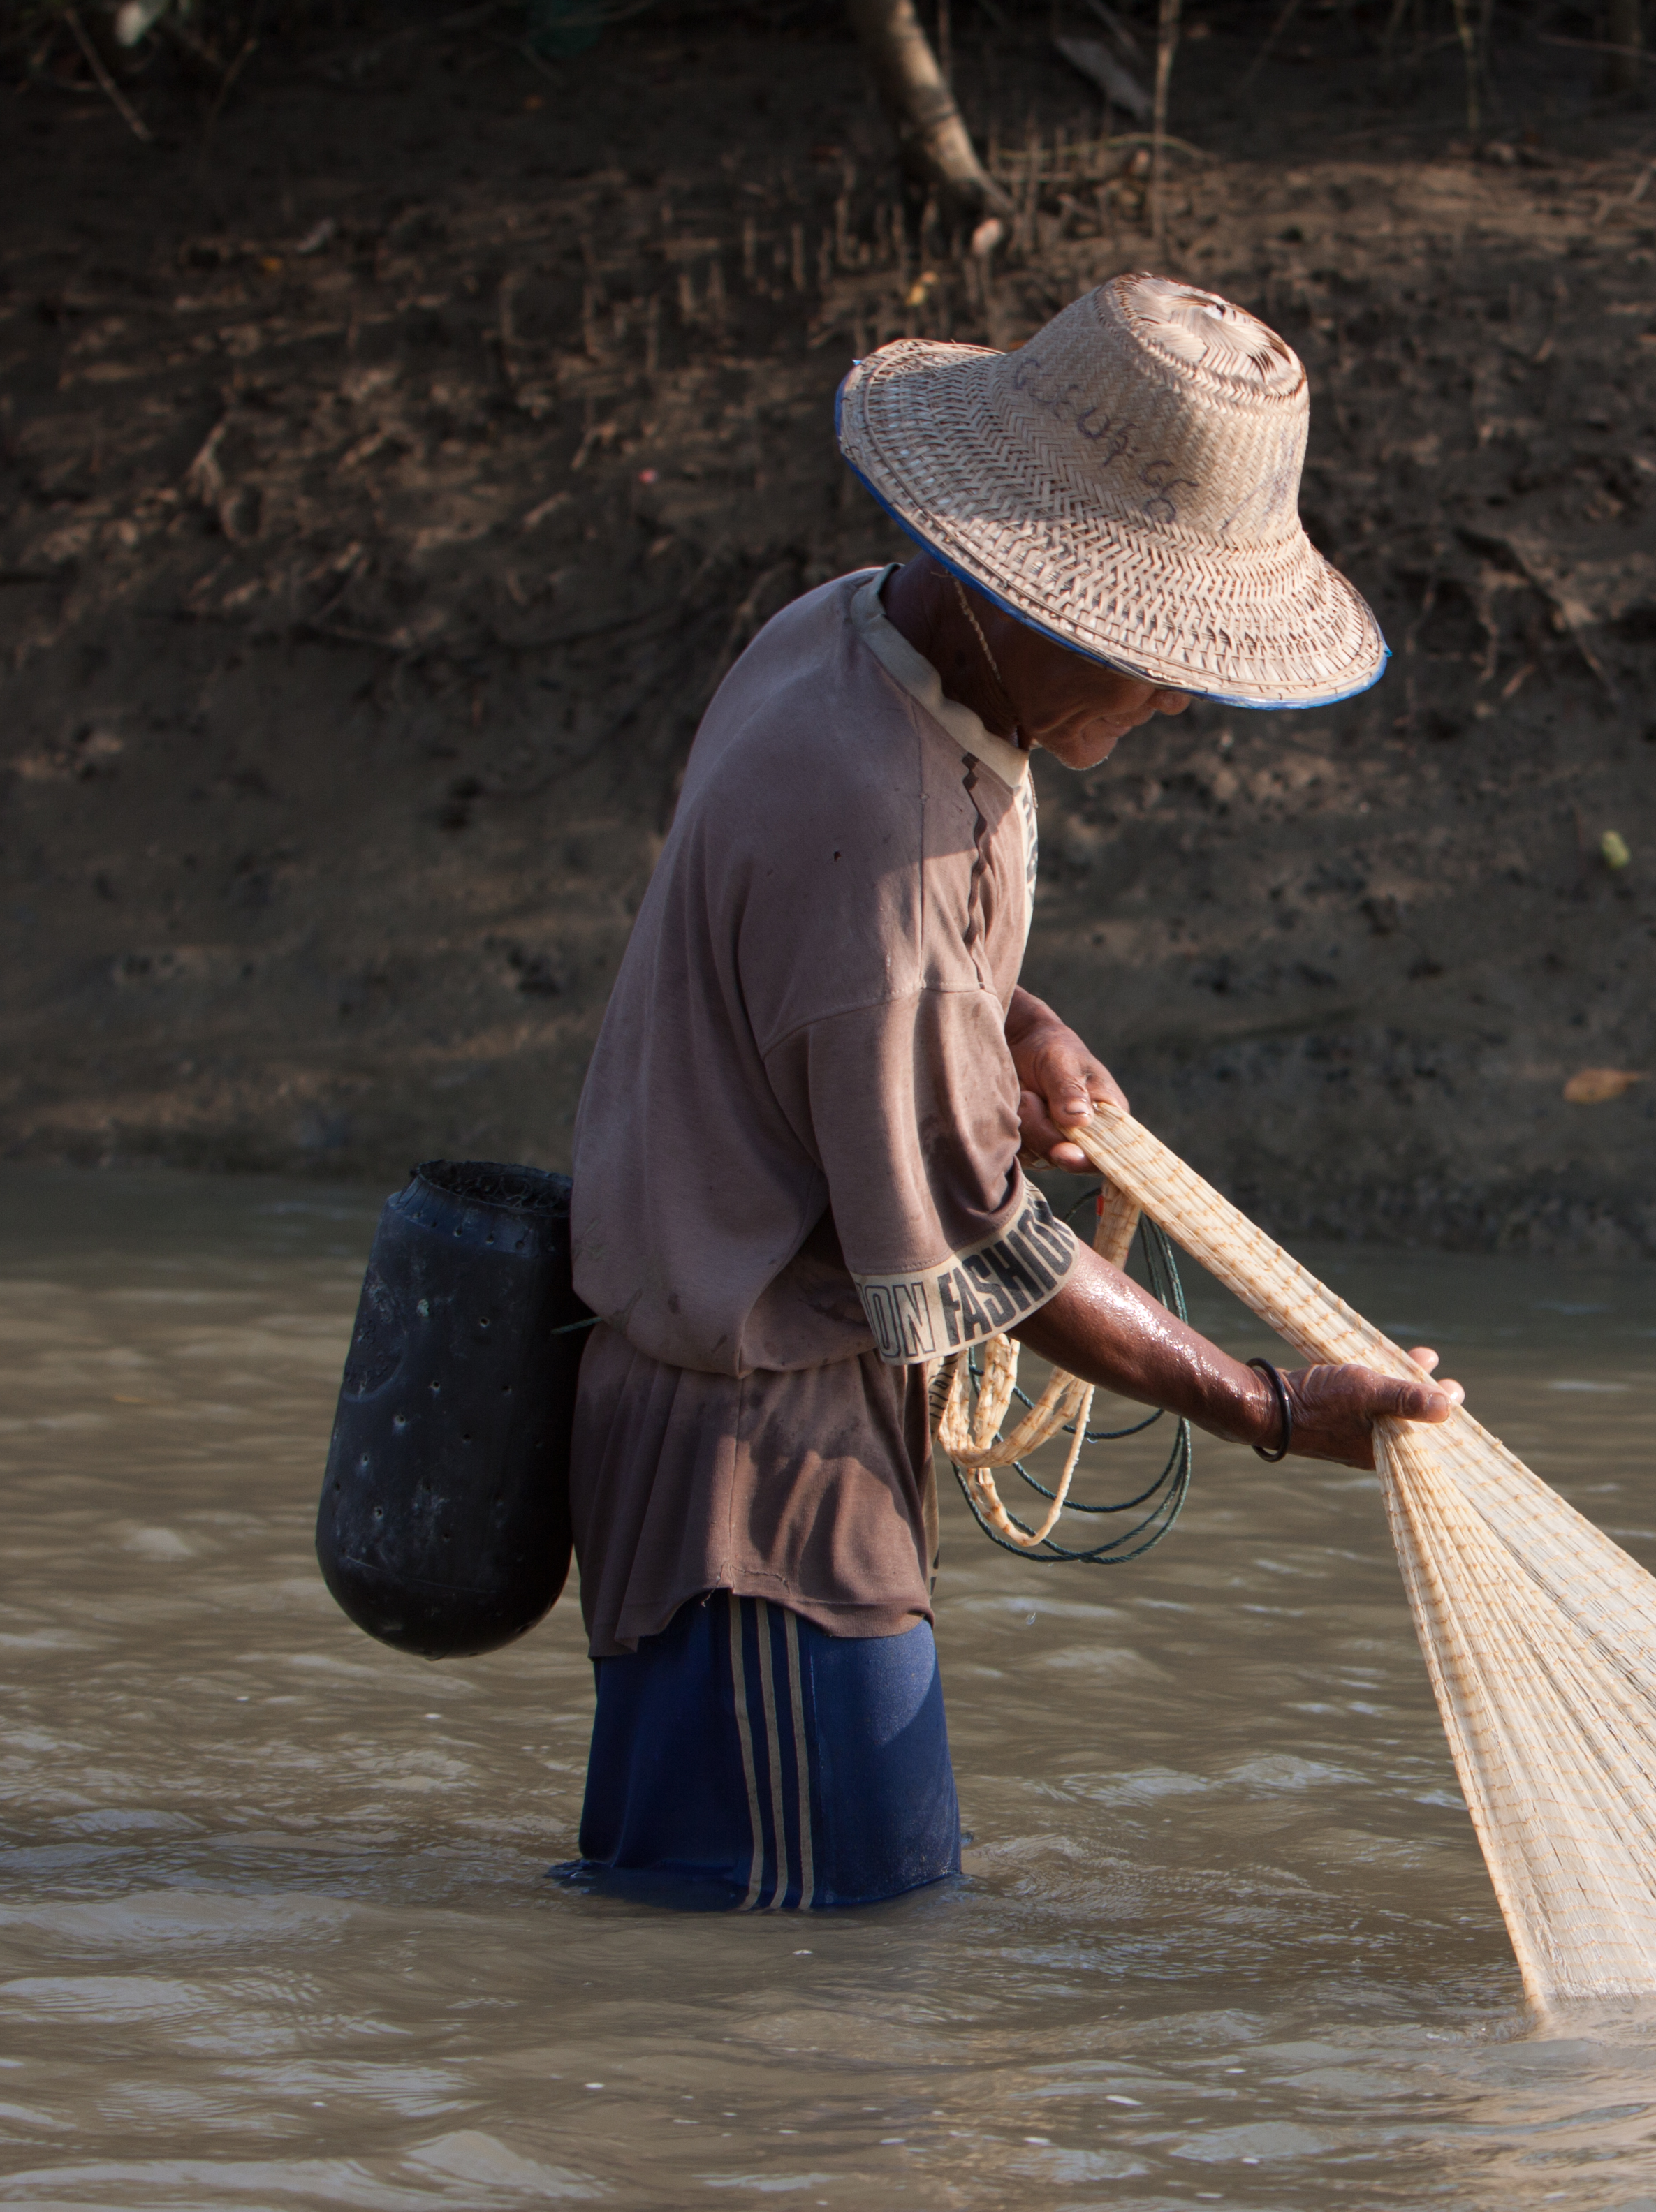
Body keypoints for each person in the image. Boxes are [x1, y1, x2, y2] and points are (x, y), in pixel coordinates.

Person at [557, 273, 1461, 1913]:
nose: (1179, 696)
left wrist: (1011, 1018)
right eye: (1153, 650)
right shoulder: (885, 822)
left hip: (764, 1440)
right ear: (1022, 598)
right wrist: (1268, 1405)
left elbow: (835, 966)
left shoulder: (839, 633)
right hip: (755, 1472)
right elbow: (965, 1247)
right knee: (814, 1978)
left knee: (785, 1939)